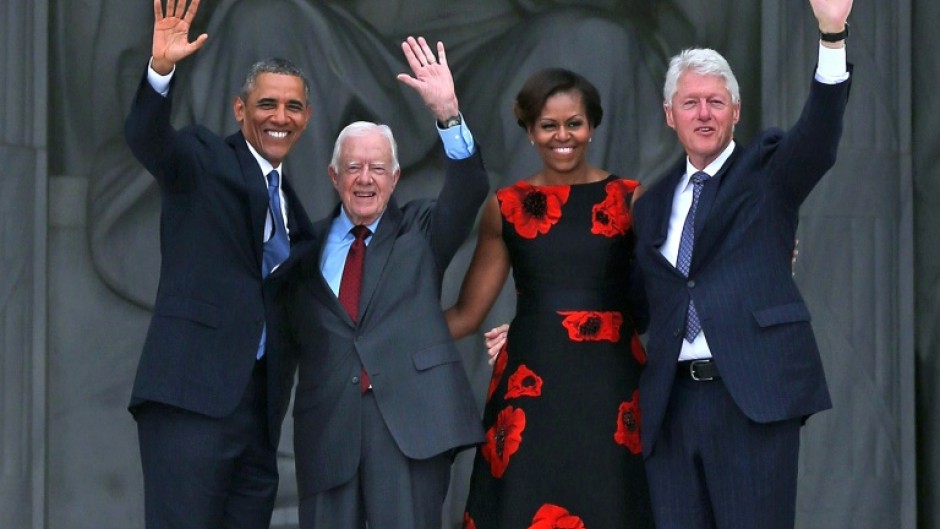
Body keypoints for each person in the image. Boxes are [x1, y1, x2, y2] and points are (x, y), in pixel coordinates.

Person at [630, 0, 854, 527]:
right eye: (690, 103)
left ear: (736, 111)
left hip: (750, 398)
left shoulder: (768, 172)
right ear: (670, 115)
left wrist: (832, 35)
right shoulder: (652, 203)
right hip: (672, 406)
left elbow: (819, 139)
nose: (703, 114)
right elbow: (633, 302)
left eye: (716, 102)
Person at [265, 37, 487, 529]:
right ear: (333, 176)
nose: (365, 178)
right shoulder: (302, 247)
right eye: (354, 167)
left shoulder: (422, 231)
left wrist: (448, 113)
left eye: (377, 168)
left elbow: (470, 188)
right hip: (329, 431)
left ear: (396, 177)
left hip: (410, 427)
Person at [123, 0, 316, 527]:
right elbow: (148, 138)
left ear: (306, 118)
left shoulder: (295, 211)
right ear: (239, 110)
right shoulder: (203, 160)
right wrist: (161, 70)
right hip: (190, 400)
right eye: (267, 104)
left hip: (258, 416)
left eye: (293, 107)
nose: (280, 117)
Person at [444, 68, 653, 529]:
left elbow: (665, 288)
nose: (562, 136)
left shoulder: (630, 198)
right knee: (524, 505)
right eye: (548, 125)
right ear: (529, 131)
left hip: (611, 387)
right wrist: (387, 335)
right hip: (531, 387)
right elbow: (466, 314)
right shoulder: (505, 205)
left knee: (610, 506)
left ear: (592, 126)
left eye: (574, 123)